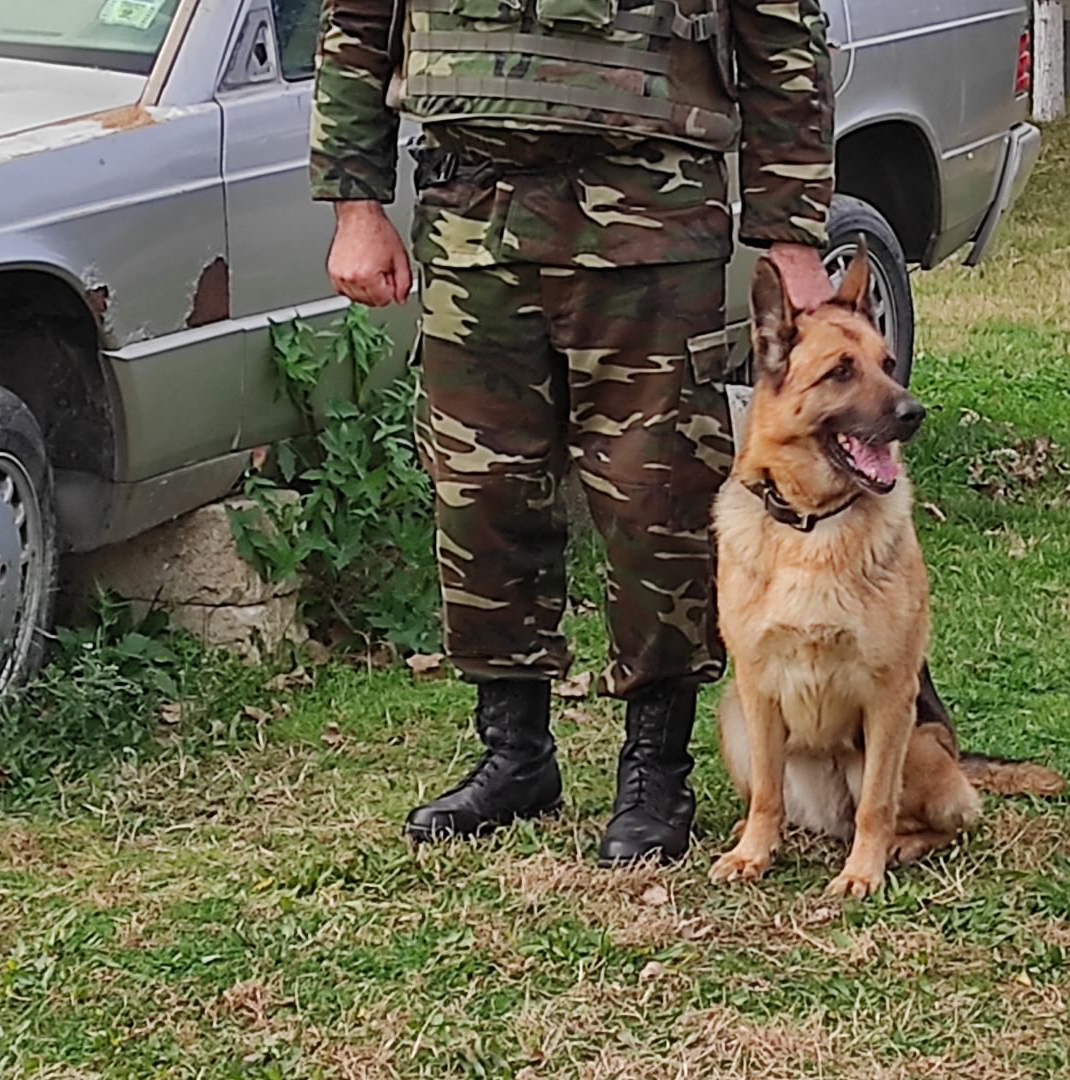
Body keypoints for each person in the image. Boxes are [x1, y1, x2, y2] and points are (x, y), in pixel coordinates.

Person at [309, 0, 837, 863]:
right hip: (472, 208)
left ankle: (655, 770)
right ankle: (513, 753)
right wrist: (354, 203)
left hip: (652, 212)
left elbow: (779, 31)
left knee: (655, 495)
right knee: (480, 491)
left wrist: (790, 233)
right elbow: (360, 17)